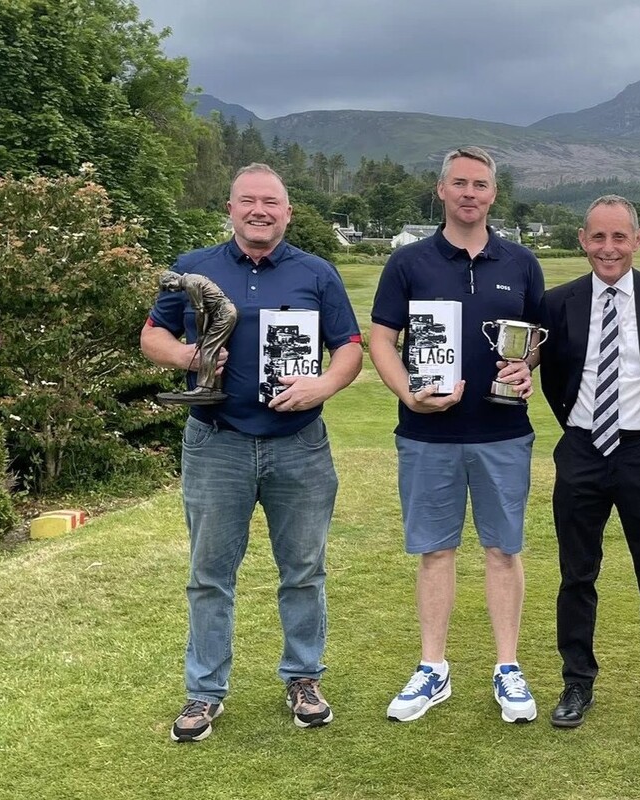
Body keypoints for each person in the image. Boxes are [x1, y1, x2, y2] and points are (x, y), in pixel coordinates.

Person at [141, 163, 363, 742]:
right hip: (217, 441)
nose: (259, 210)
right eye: (248, 200)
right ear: (231, 209)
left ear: (287, 212)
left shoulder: (317, 272)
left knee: (304, 570)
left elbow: (349, 348)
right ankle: (204, 691)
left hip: (300, 445)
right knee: (209, 574)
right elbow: (153, 336)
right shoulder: (194, 267)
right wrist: (191, 357)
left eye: (271, 202)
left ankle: (304, 679)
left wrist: (322, 385)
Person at [370, 146, 545, 724]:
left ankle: (507, 667)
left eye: (481, 184)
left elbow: (534, 341)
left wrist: (527, 367)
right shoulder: (408, 262)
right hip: (427, 433)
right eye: (460, 183)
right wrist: (407, 393)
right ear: (441, 190)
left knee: (503, 550)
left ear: (494, 194)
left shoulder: (521, 262)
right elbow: (381, 340)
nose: (470, 193)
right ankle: (433, 668)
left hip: (503, 432)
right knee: (435, 551)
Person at [535, 195, 640, 730]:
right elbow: (555, 378)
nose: (608, 248)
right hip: (582, 449)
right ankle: (576, 683)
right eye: (598, 237)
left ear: (638, 239)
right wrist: (578, 428)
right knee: (576, 574)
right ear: (582, 240)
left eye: (619, 237)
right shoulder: (557, 302)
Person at [157, 272, 237, 402]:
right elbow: (206, 310)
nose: (172, 290)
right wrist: (203, 333)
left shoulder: (190, 283)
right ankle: (215, 386)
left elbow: (200, 311)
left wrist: (200, 335)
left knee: (207, 349)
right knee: (214, 349)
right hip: (224, 313)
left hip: (224, 314)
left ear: (174, 278)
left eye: (170, 286)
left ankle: (204, 388)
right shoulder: (192, 279)